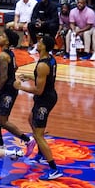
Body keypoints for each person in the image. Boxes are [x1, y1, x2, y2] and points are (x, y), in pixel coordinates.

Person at [13, 35, 62, 180]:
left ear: (45, 46)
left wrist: (21, 87)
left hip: (44, 100)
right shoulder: (49, 59)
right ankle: (41, 154)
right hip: (48, 95)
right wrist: (30, 77)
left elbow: (39, 90)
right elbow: (45, 79)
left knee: (38, 134)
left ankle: (54, 169)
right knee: (31, 119)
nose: (37, 42)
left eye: (40, 42)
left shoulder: (42, 65)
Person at [0, 29, 35, 150]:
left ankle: (27, 140)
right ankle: (0, 144)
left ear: (7, 42)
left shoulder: (3, 55)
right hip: (8, 88)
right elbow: (15, 67)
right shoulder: (10, 53)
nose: (0, 37)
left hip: (8, 90)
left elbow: (3, 78)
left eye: (3, 36)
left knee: (3, 121)